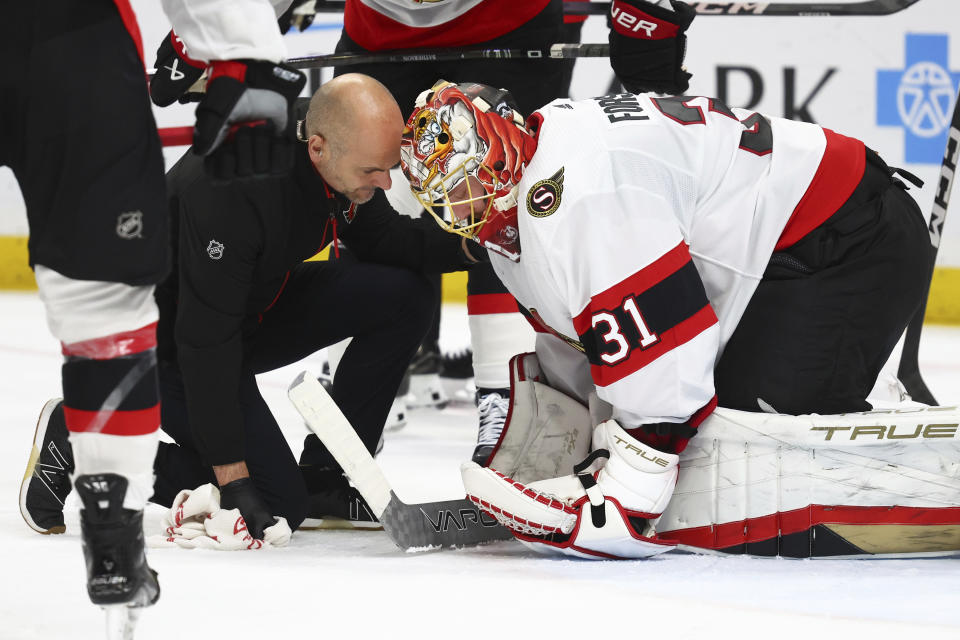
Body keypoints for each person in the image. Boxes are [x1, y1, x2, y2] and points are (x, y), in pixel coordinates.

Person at [398, 79, 929, 559]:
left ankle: (916, 480)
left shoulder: (579, 190)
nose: (463, 210)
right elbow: (584, 336)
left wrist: (631, 487)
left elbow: (668, 350)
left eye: (469, 183)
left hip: (848, 238)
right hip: (793, 248)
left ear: (502, 144)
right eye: (447, 199)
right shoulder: (526, 197)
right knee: (699, 436)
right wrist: (562, 455)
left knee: (739, 445)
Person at [24, 74, 481, 546]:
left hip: (245, 309)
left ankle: (326, 475)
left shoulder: (335, 147)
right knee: (276, 504)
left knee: (405, 295)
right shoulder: (236, 190)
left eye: (388, 169)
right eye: (374, 172)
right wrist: (236, 481)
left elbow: (383, 237)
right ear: (319, 147)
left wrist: (475, 246)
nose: (385, 182)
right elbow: (205, 343)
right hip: (163, 344)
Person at [7, 0, 304, 627]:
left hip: (68, 40)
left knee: (108, 301)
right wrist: (242, 50)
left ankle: (114, 530)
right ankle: (113, 536)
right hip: (69, 38)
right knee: (106, 306)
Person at [327, 0, 584, 465]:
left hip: (509, 20)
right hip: (377, 30)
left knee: (507, 197)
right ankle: (351, 411)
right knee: (359, 193)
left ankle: (509, 403)